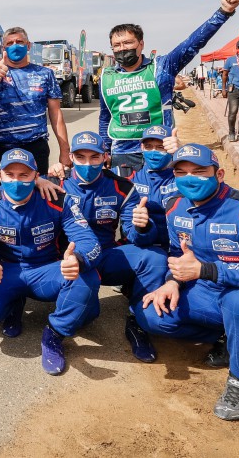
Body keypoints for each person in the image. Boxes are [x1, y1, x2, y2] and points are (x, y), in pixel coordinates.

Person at [136, 144, 239, 421]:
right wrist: (172, 281)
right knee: (152, 314)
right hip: (208, 292)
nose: (190, 178)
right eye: (181, 172)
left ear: (219, 174)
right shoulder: (175, 207)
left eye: (199, 172)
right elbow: (179, 254)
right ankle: (230, 338)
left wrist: (207, 270)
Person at [0, 148, 102, 375]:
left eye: (24, 175)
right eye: (10, 175)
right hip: (6, 271)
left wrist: (77, 259)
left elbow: (89, 240)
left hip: (46, 270)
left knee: (87, 281)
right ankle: (13, 303)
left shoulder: (58, 199)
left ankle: (53, 334)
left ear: (36, 176)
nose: (16, 181)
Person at [99, 0, 239, 171]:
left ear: (141, 44)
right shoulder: (107, 77)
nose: (122, 48)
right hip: (122, 153)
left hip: (160, 149)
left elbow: (192, 43)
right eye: (116, 45)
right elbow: (105, 117)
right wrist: (104, 150)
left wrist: (224, 12)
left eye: (127, 42)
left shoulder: (161, 67)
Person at [62, 131, 168, 362]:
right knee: (84, 316)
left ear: (105, 157)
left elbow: (133, 235)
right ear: (70, 157)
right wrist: (39, 179)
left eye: (94, 157)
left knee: (156, 257)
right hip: (69, 260)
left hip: (106, 255)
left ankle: (139, 321)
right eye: (80, 157)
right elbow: (15, 191)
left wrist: (141, 226)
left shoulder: (122, 187)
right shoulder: (55, 184)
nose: (87, 164)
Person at [0, 26, 70, 180]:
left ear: (28, 45)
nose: (15, 46)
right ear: (3, 48)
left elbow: (56, 114)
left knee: (39, 190)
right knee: (3, 192)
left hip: (35, 147)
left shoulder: (45, 74)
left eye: (19, 42)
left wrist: (65, 151)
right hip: (1, 147)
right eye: (9, 43)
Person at [127, 125, 180, 245]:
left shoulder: (182, 176)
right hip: (140, 244)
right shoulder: (128, 175)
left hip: (175, 245)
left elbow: (208, 179)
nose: (154, 152)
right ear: (142, 147)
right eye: (148, 147)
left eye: (161, 147)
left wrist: (181, 154)